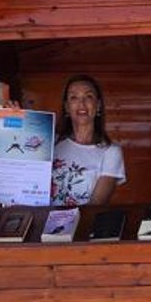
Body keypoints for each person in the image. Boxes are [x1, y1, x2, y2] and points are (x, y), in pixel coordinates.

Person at [50, 74, 125, 206]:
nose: (82, 104)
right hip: (43, 224)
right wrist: (11, 115)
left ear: (98, 105)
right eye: (74, 97)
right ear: (67, 107)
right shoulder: (50, 143)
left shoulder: (111, 152)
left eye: (88, 96)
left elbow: (96, 206)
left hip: (84, 225)